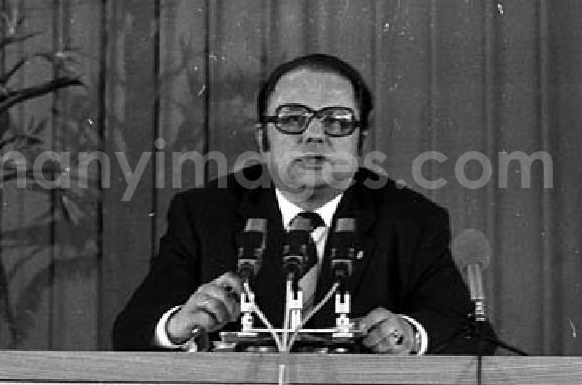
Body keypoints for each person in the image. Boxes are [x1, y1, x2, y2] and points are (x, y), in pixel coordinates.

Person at [112, 53, 486, 354]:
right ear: (263, 140)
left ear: (361, 140)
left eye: (337, 122)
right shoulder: (205, 213)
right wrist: (178, 325)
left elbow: (469, 334)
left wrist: (411, 335)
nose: (314, 135)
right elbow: (133, 331)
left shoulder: (410, 219)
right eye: (293, 119)